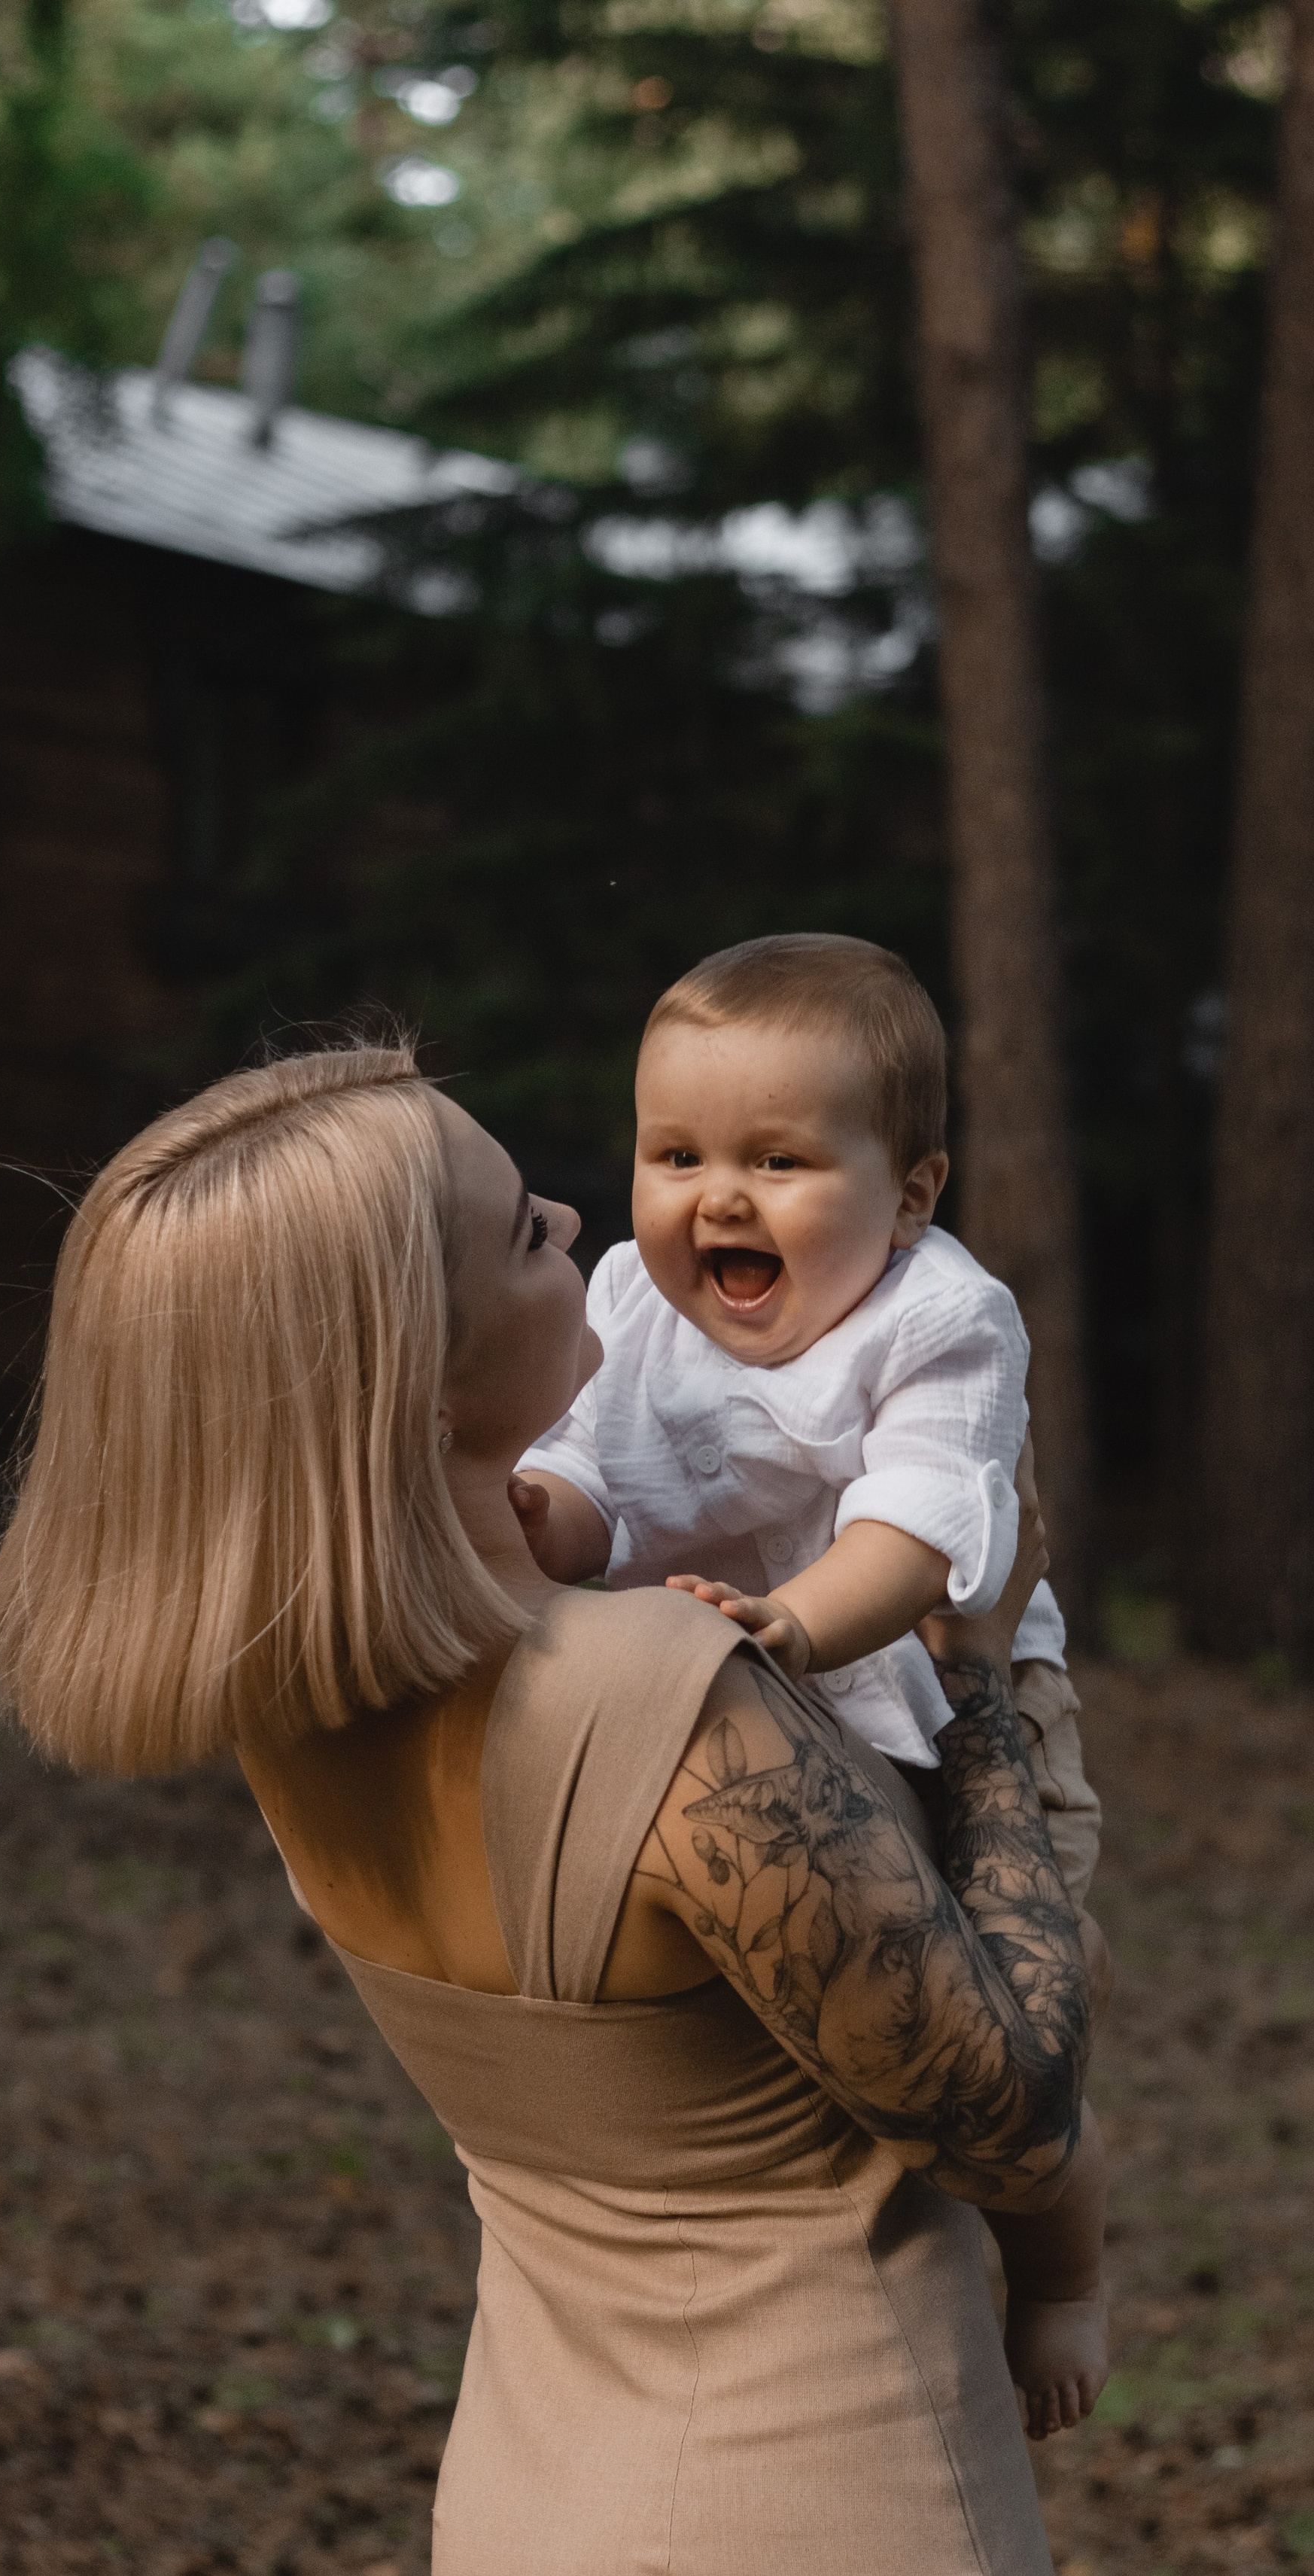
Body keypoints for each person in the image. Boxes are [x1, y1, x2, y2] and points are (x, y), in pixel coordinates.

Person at [0, 1043, 1142, 2576]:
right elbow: (1010, 2101)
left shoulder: (297, 1701)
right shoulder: (666, 1710)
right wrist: (984, 1675)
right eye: (525, 1230)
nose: (584, 1227)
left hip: (536, 2543)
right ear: (415, 1367)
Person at [513, 933, 1107, 2437]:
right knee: (828, 2012)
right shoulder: (630, 1304)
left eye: (777, 1160)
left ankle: (1057, 2270)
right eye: (674, 1154)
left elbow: (915, 1541)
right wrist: (548, 1522)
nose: (715, 1196)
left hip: (939, 1693)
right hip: (745, 1687)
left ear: (909, 1193)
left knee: (1004, 2013)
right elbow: (590, 1467)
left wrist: (790, 1623)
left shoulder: (942, 1321)